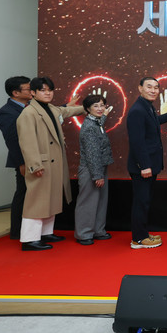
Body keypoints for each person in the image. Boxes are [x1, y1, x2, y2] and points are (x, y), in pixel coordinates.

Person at [16, 77, 84, 251]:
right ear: (33, 93)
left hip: (52, 163)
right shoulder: (28, 113)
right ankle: (29, 240)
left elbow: (67, 110)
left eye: (50, 90)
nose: (47, 93)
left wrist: (88, 107)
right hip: (41, 164)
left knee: (50, 198)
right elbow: (27, 142)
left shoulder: (51, 108)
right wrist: (35, 165)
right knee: (36, 201)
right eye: (43, 90)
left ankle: (45, 233)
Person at [126, 77, 167, 249]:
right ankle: (138, 239)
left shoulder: (146, 106)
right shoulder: (137, 110)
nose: (153, 90)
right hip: (143, 167)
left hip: (149, 165)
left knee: (145, 201)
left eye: (156, 88)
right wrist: (144, 165)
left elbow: (152, 122)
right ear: (140, 88)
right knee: (141, 202)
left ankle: (143, 234)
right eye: (149, 87)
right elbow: (137, 142)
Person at [0, 76, 32, 239]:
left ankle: (29, 230)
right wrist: (21, 163)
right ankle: (17, 231)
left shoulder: (30, 107)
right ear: (15, 93)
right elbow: (12, 140)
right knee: (23, 194)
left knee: (30, 194)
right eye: (28, 89)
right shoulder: (6, 112)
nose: (32, 91)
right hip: (23, 160)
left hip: (35, 158)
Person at [75, 94, 114, 245]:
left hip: (100, 167)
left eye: (102, 105)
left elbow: (100, 122)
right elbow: (92, 154)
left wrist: (104, 116)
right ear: (87, 109)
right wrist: (97, 175)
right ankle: (84, 234)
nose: (100, 108)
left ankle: (98, 231)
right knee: (88, 202)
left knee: (100, 201)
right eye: (95, 106)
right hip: (91, 169)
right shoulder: (90, 127)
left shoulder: (97, 122)